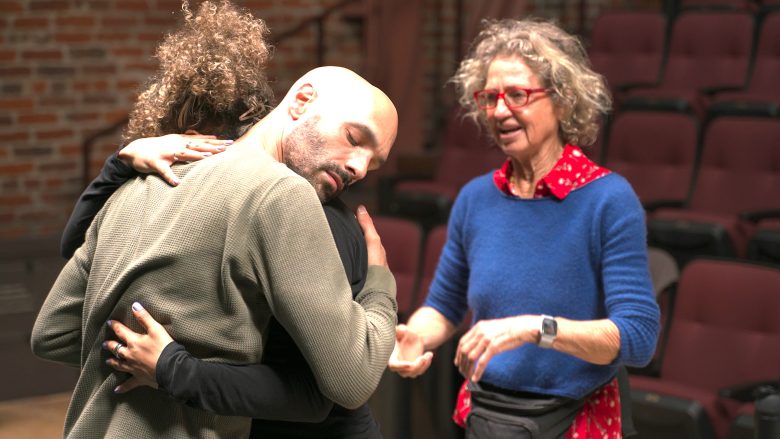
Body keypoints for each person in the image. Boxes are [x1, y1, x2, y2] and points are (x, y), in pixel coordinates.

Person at [56, 3, 386, 437]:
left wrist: (171, 368)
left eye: (373, 163)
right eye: (354, 138)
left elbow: (331, 386)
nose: (360, 168)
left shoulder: (303, 209)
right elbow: (332, 386)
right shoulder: (270, 195)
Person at [387, 18, 660, 439]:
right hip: (487, 416)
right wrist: (415, 338)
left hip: (575, 421)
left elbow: (638, 337)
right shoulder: (476, 197)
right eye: (490, 97)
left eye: (518, 95)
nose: (499, 111)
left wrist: (535, 328)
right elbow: (443, 307)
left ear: (563, 101)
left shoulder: (608, 199)